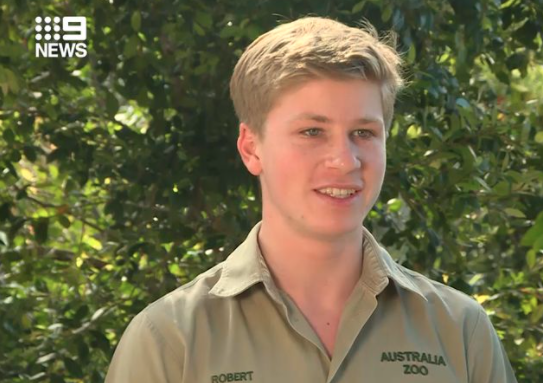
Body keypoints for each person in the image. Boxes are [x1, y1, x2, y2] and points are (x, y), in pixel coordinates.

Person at [105, 16, 517, 383]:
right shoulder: (170, 339)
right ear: (251, 148)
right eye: (312, 132)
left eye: (364, 133)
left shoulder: (459, 330)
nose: (344, 160)